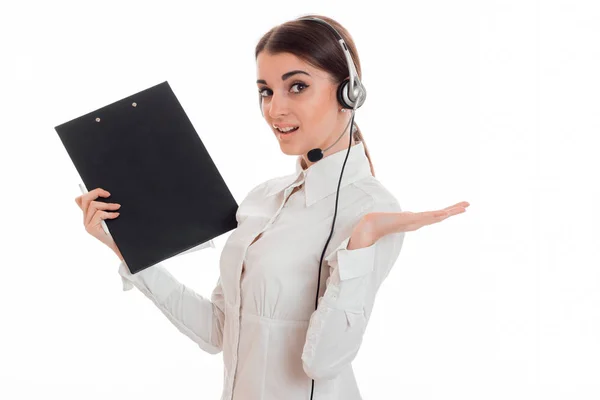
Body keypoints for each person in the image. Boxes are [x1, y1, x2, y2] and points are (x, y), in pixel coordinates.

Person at [74, 14, 469, 400]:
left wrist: (361, 243)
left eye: (296, 87)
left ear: (350, 93)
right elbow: (218, 332)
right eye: (265, 90)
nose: (274, 109)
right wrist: (126, 246)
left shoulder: (371, 209)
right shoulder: (262, 198)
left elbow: (324, 363)